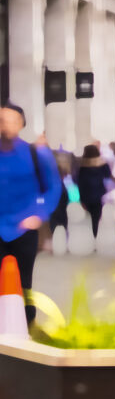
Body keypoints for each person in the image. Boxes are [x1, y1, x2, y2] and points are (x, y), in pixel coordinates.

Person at [0, 102, 61, 323]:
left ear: (21, 124)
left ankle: (27, 324)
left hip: (23, 228)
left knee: (24, 280)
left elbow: (53, 187)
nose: (6, 125)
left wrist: (39, 214)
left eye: (12, 120)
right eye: (2, 120)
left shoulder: (35, 154)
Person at [76, 144, 111, 244]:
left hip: (87, 196)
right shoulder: (103, 165)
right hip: (99, 195)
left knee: (90, 218)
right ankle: (95, 236)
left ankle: (92, 237)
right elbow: (108, 176)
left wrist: (81, 199)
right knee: (96, 217)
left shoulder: (82, 167)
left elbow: (80, 184)